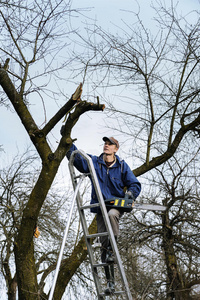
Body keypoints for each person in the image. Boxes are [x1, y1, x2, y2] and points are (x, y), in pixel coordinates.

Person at [65, 135, 141, 294]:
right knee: (104, 246)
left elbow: (134, 183)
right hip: (100, 208)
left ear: (116, 149)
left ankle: (112, 251)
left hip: (115, 206)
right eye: (105, 143)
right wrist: (68, 144)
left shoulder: (121, 166)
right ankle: (111, 283)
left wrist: (131, 194)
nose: (106, 146)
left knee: (112, 215)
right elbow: (78, 162)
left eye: (110, 144)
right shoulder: (94, 163)